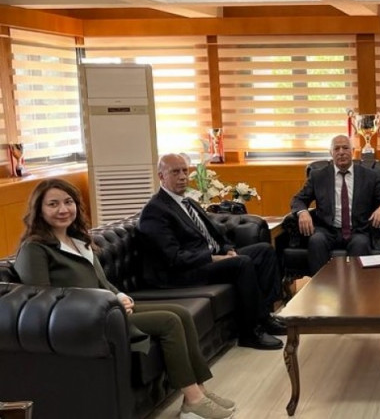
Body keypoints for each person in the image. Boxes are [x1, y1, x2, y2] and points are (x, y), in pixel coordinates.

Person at [14, 179, 236, 419]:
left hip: (108, 309)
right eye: (53, 204)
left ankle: (199, 390)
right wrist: (107, 303)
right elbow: (42, 302)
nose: (63, 209)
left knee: (181, 313)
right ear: (39, 210)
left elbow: (100, 281)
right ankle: (193, 401)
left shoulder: (78, 240)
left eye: (68, 202)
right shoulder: (34, 249)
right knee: (169, 321)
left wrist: (119, 295)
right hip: (82, 322)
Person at [138, 153, 284, 351]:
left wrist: (228, 250)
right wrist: (214, 258)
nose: (183, 177)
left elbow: (214, 234)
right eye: (175, 172)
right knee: (242, 263)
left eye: (184, 171)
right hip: (181, 272)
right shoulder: (155, 211)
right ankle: (250, 333)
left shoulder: (188, 202)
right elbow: (173, 258)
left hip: (205, 260)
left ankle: (264, 317)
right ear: (161, 176)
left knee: (264, 251)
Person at [290, 135, 380, 274]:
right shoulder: (318, 176)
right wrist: (302, 212)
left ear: (352, 151)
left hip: (357, 230)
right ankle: (319, 285)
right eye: (337, 149)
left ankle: (357, 285)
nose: (341, 152)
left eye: (345, 148)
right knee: (316, 240)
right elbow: (298, 200)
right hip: (327, 230)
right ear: (331, 153)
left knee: (361, 244)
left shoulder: (369, 176)